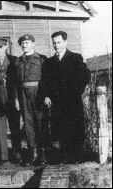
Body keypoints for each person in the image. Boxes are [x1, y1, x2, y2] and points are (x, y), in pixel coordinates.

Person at [42, 31, 91, 164]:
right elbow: (45, 81)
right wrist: (46, 95)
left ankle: (76, 157)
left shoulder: (75, 58)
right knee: (60, 127)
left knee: (75, 127)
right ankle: (64, 156)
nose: (56, 45)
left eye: (59, 42)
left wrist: (76, 91)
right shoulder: (49, 62)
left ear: (65, 42)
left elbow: (85, 76)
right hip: (57, 102)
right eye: (54, 43)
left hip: (72, 100)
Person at [14, 34, 48, 165]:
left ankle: (42, 154)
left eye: (27, 42)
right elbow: (16, 82)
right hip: (23, 93)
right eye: (22, 43)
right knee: (28, 123)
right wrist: (17, 98)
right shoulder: (18, 61)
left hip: (37, 92)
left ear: (33, 44)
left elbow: (46, 80)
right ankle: (32, 153)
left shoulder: (41, 59)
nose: (24, 45)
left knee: (40, 122)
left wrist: (45, 95)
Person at [0, 37, 21, 164]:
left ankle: (17, 153)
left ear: (5, 47)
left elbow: (18, 82)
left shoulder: (14, 60)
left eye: (0, 47)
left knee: (15, 128)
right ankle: (3, 157)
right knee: (1, 129)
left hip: (12, 98)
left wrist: (17, 99)